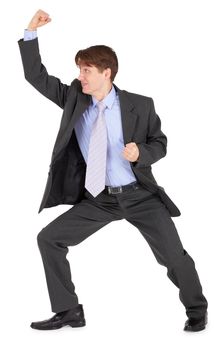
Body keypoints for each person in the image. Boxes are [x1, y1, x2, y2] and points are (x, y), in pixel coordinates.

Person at [18, 9, 208, 331]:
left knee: (174, 258)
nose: (81, 76)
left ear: (107, 73)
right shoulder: (74, 99)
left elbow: (160, 143)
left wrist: (140, 153)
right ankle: (68, 311)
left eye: (87, 70)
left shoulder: (140, 104)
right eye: (79, 69)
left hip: (140, 196)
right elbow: (36, 76)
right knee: (49, 238)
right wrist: (30, 32)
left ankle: (197, 309)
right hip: (100, 198)